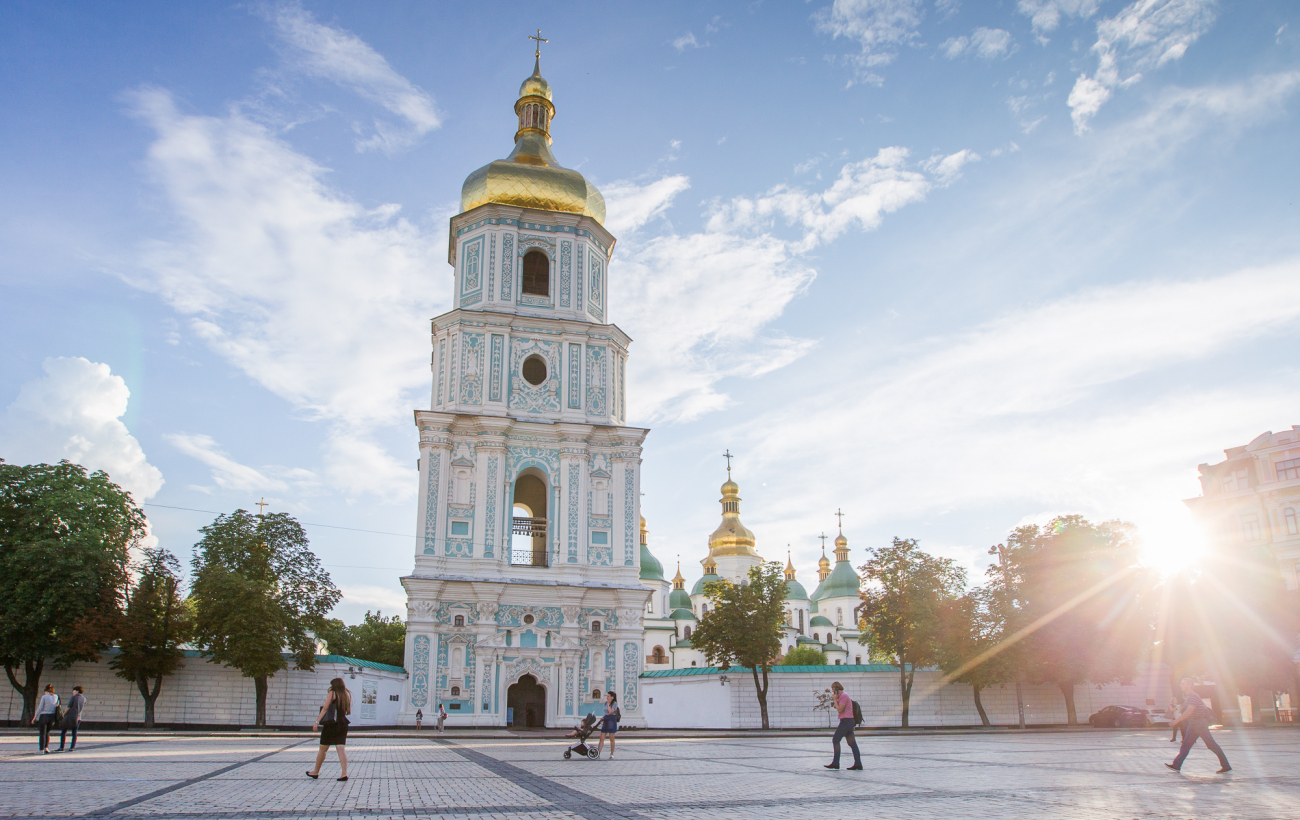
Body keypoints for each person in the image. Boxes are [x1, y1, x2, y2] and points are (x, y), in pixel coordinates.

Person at [1166, 678, 1230, 774]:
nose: (1180, 685)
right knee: (1186, 745)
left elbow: (1189, 711)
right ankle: (1176, 765)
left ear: (1189, 685)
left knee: (1211, 744)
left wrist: (1176, 721)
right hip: (1194, 724)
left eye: (1183, 683)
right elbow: (1185, 710)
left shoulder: (1193, 696)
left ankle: (1226, 765)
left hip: (1200, 723)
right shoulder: (1189, 697)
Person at [306, 678, 351, 781]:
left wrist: (317, 722)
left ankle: (315, 772)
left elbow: (326, 708)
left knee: (323, 748)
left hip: (331, 724)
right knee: (341, 749)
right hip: (343, 723)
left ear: (334, 685)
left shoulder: (332, 693)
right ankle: (344, 774)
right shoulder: (345, 695)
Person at [825, 681, 862, 771]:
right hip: (847, 721)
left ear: (838, 688)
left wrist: (835, 700)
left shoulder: (844, 696)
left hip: (846, 721)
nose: (832, 691)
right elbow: (836, 706)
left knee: (836, 739)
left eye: (833, 688)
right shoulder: (841, 696)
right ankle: (858, 764)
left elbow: (840, 709)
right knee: (852, 743)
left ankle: (836, 763)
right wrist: (836, 701)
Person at [32, 684, 59, 754]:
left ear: (46, 691)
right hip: (52, 716)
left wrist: (35, 716)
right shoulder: (56, 696)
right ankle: (46, 747)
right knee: (47, 733)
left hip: (44, 716)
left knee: (42, 733)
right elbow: (57, 706)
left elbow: (40, 707)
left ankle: (41, 749)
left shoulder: (44, 697)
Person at [57, 686, 87, 752]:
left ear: (77, 691)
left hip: (70, 717)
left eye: (74, 690)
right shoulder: (84, 698)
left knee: (64, 731)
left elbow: (69, 707)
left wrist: (63, 714)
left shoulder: (73, 697)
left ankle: (61, 747)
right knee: (74, 733)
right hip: (78, 718)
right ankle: (72, 747)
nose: (72, 692)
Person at [594, 691, 619, 759]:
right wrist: (603, 717)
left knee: (611, 738)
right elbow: (606, 712)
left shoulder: (614, 703)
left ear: (612, 697)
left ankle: (611, 754)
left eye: (608, 696)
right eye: (607, 696)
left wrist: (609, 704)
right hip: (606, 719)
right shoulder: (605, 703)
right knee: (602, 737)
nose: (607, 697)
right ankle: (598, 753)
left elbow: (610, 712)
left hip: (612, 720)